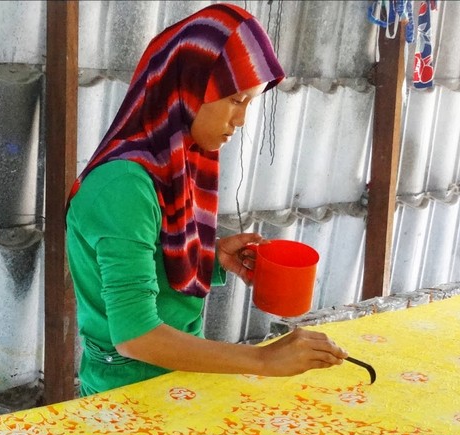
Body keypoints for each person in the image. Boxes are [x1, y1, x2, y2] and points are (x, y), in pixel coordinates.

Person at [66, 3, 348, 396]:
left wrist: (208, 257)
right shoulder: (124, 187)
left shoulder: (171, 162)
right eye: (235, 100)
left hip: (178, 386)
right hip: (128, 399)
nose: (241, 120)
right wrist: (264, 360)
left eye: (249, 103)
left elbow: (142, 254)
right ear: (189, 87)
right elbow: (136, 336)